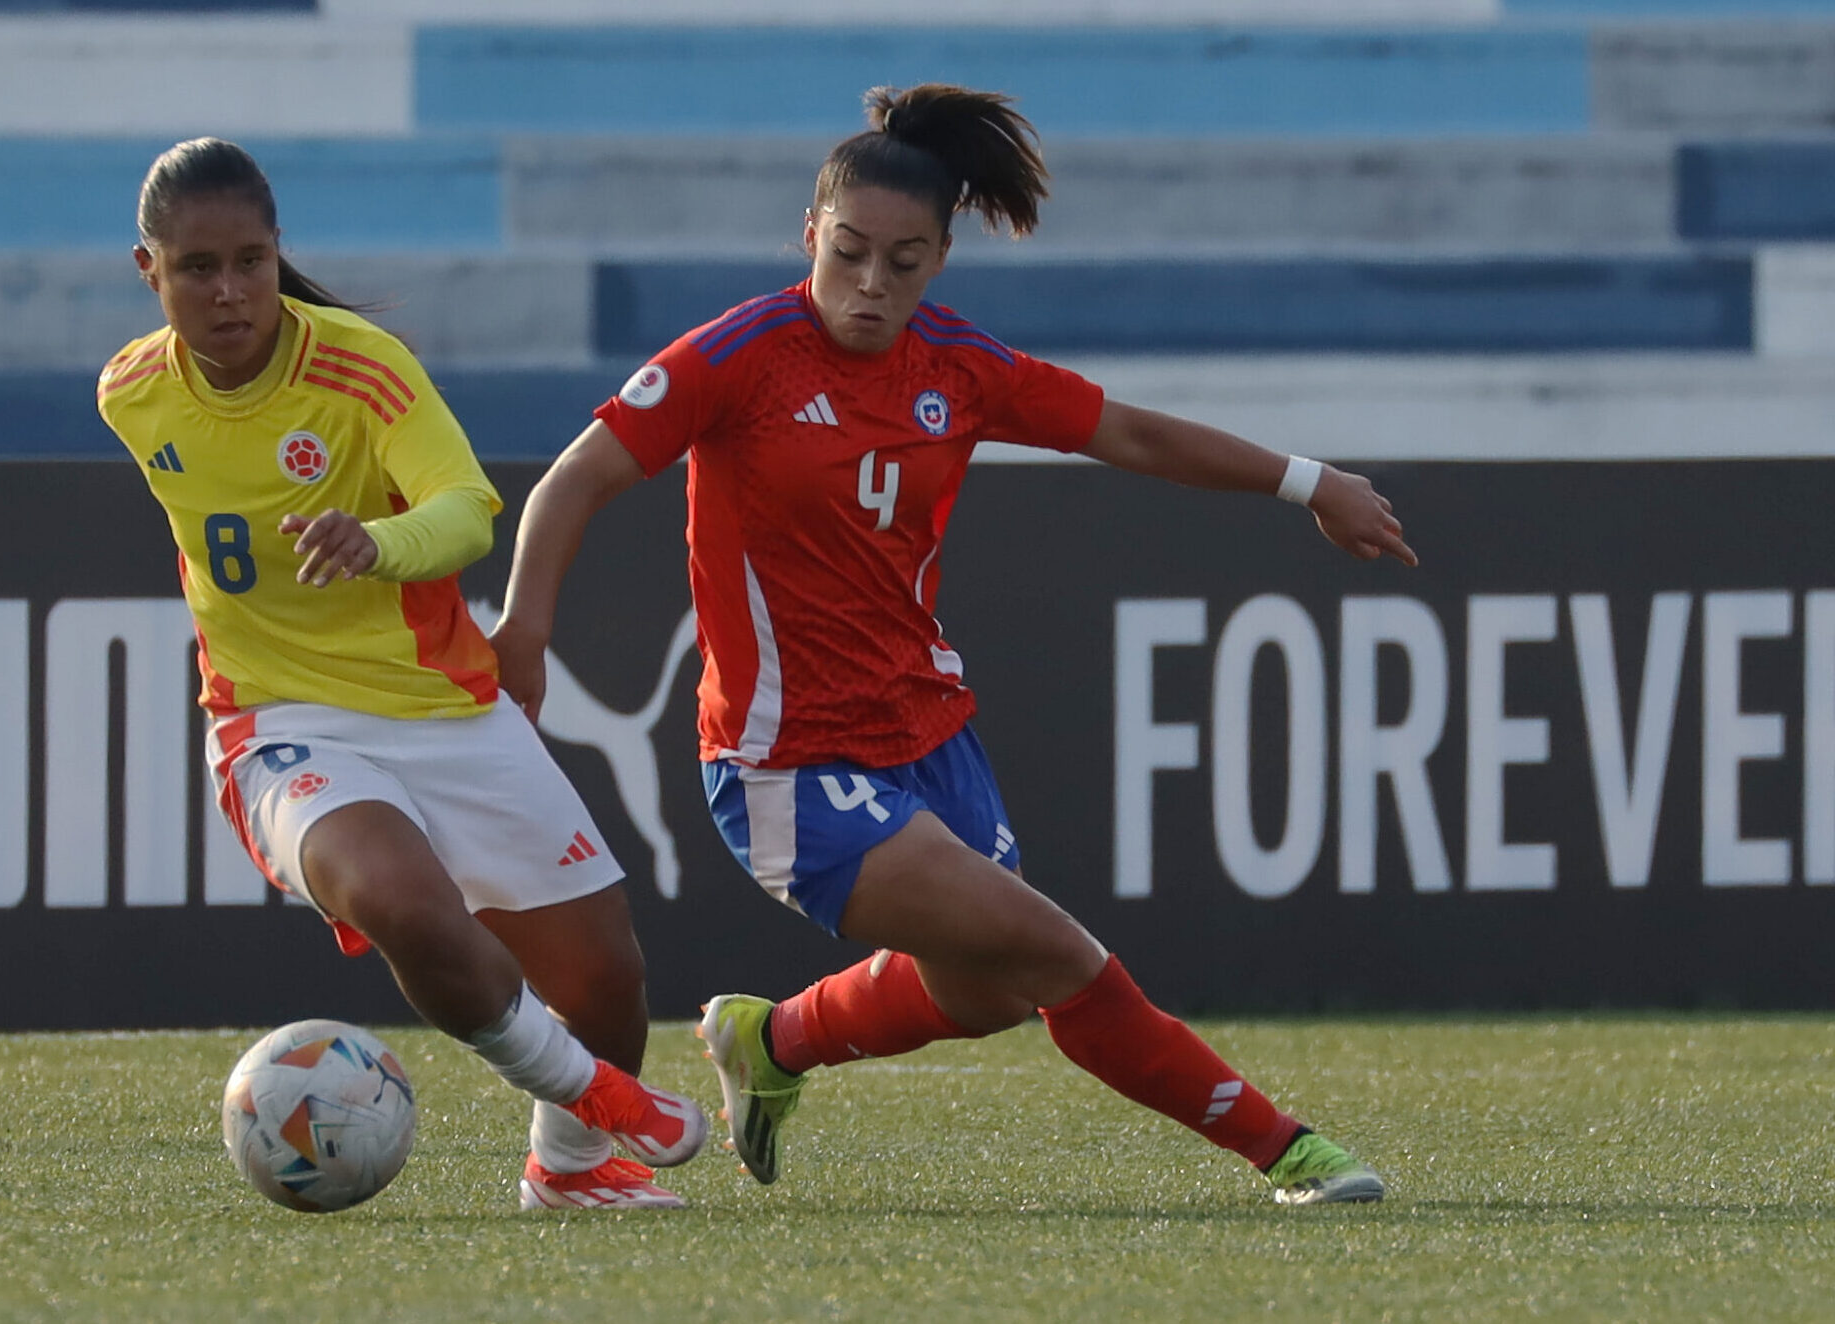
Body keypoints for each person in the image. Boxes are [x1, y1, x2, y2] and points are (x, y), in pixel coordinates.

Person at [493, 86, 1413, 1205]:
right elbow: (577, 476)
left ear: (940, 261)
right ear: (810, 236)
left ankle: (773, 1040)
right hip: (788, 765)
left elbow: (1128, 431)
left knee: (986, 992)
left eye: (905, 261)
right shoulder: (739, 356)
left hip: (928, 733)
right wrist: (526, 628)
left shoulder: (957, 367)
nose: (872, 286)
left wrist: (1310, 483)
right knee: (1060, 956)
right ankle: (1289, 1150)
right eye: (850, 254)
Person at [97, 138, 706, 1212]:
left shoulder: (359, 366)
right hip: (277, 722)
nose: (231, 291)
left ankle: (565, 1171)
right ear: (148, 272)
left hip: (441, 705)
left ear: (281, 253)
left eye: (252, 260)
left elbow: (466, 506)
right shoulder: (131, 393)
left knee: (607, 976)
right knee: (400, 900)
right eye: (198, 268)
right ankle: (602, 1099)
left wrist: (379, 544)